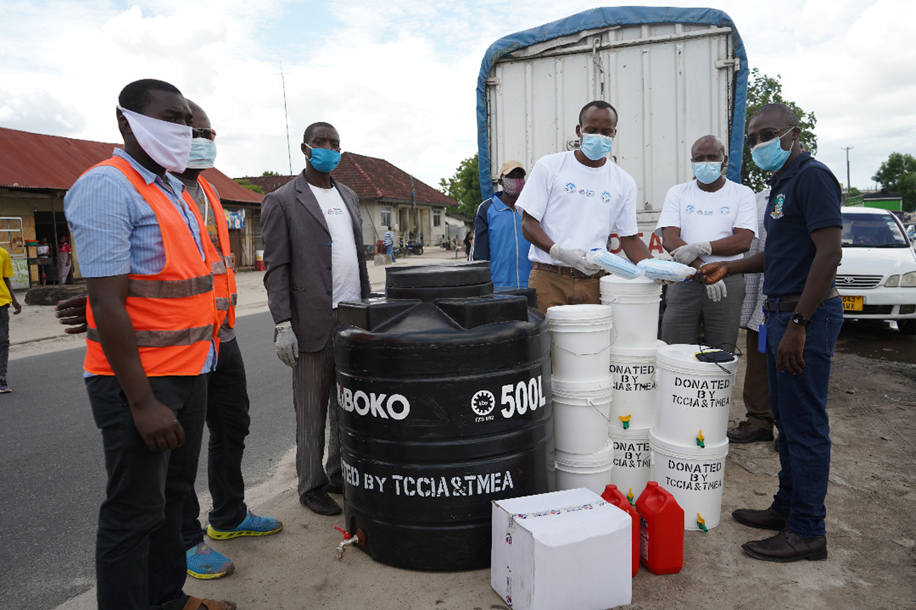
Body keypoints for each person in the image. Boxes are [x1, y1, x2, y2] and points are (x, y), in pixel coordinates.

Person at [63, 78, 234, 610]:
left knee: (171, 501)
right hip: (141, 384)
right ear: (126, 122)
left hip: (190, 371)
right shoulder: (108, 186)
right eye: (169, 117)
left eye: (186, 119)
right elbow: (109, 302)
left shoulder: (170, 189)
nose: (182, 128)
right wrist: (141, 402)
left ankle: (168, 599)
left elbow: (168, 283)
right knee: (133, 511)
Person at [701, 103, 843, 563]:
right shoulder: (781, 184)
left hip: (806, 315)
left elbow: (828, 254)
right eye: (754, 138)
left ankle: (807, 531)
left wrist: (799, 324)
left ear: (792, 134)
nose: (760, 144)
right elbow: (777, 255)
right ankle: (788, 510)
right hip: (780, 313)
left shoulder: (813, 177)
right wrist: (730, 266)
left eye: (768, 134)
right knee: (785, 421)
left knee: (805, 427)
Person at [174, 101, 282, 578]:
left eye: (210, 130)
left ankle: (229, 515)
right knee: (181, 450)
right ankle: (184, 541)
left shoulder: (209, 192)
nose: (205, 138)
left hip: (223, 335)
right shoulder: (157, 192)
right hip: (181, 342)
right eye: (196, 130)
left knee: (232, 425)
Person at [261, 121, 371, 516]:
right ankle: (310, 485)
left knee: (347, 405)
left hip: (352, 315)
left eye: (335, 142)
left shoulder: (349, 196)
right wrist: (282, 324)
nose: (329, 148)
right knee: (311, 409)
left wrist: (368, 306)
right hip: (309, 321)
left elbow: (356, 258)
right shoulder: (283, 200)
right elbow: (276, 268)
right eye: (321, 142)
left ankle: (338, 473)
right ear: (306, 149)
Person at [516, 100, 652, 314]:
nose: (599, 137)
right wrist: (559, 252)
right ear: (579, 130)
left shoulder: (623, 181)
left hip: (594, 282)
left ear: (614, 133)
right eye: (592, 130)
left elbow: (630, 238)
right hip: (550, 278)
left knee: (591, 346)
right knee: (546, 346)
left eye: (606, 132)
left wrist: (656, 269)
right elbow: (528, 223)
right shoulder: (550, 166)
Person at [656, 135, 757, 351]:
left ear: (725, 159)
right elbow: (670, 239)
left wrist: (701, 247)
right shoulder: (678, 193)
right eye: (699, 159)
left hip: (727, 282)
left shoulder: (742, 194)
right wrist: (702, 268)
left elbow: (743, 241)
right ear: (692, 162)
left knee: (721, 351)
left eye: (712, 157)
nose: (705, 163)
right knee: (675, 348)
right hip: (683, 279)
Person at [728, 187, 775, 444]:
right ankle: (759, 421)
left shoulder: (808, 186)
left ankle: (791, 430)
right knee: (758, 361)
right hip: (760, 295)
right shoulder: (758, 198)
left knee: (792, 365)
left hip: (792, 295)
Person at [473, 160, 532, 290]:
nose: (516, 181)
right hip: (498, 287)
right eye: (511, 176)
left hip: (530, 285)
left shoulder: (530, 208)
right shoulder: (487, 209)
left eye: (520, 177)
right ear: (500, 182)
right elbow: (478, 254)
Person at [0, 246, 22, 393]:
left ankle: (2, 378)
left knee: (2, 341)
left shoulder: (3, 253)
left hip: (1, 303)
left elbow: (5, 278)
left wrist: (14, 300)